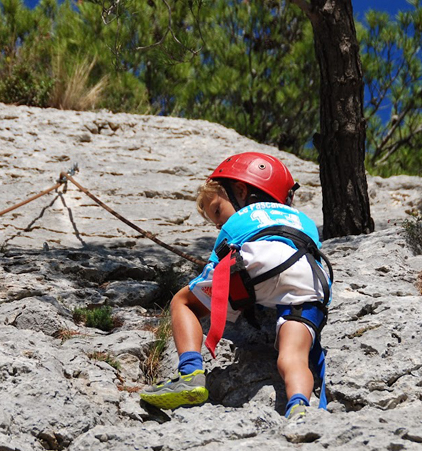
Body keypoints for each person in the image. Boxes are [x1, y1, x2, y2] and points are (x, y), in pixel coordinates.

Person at [140, 152, 333, 419]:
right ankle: (299, 404)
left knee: (183, 303)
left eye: (218, 211)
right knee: (294, 354)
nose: (219, 223)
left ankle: (190, 374)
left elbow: (218, 265)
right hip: (308, 276)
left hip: (254, 264)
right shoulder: (301, 218)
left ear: (241, 190)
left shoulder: (243, 218)